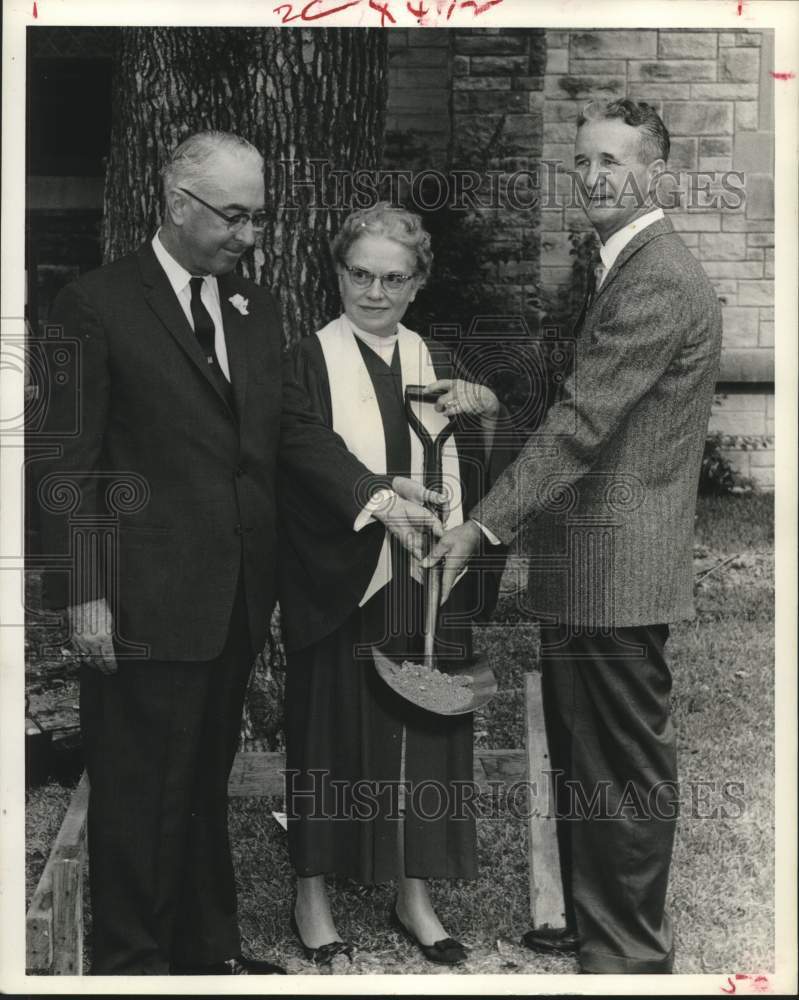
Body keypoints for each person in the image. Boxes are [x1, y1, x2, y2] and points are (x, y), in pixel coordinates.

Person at [32, 133, 440, 976]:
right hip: (140, 602)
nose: (251, 234)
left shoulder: (254, 309)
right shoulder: (95, 304)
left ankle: (203, 958)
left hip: (234, 601)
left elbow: (289, 429)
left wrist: (373, 491)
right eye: (234, 216)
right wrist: (84, 593)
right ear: (177, 202)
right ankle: (132, 969)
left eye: (258, 216)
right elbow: (63, 465)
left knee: (199, 791)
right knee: (140, 796)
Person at [424, 100, 722, 974]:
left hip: (618, 568)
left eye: (613, 163)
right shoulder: (618, 265)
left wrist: (481, 524)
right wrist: (491, 402)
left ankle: (627, 954)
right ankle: (595, 921)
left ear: (655, 174)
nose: (593, 177)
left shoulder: (658, 276)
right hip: (591, 562)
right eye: (583, 161)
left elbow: (583, 425)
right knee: (587, 757)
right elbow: (576, 391)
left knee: (620, 767)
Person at [277, 203, 515, 967]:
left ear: (417, 284)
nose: (373, 292)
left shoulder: (435, 360)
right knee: (327, 729)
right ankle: (310, 890)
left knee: (427, 727)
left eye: (392, 278)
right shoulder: (305, 359)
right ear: (337, 274)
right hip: (345, 573)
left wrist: (486, 415)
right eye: (359, 275)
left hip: (426, 573)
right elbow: (298, 449)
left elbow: (482, 474)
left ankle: (414, 891)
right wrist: (378, 501)